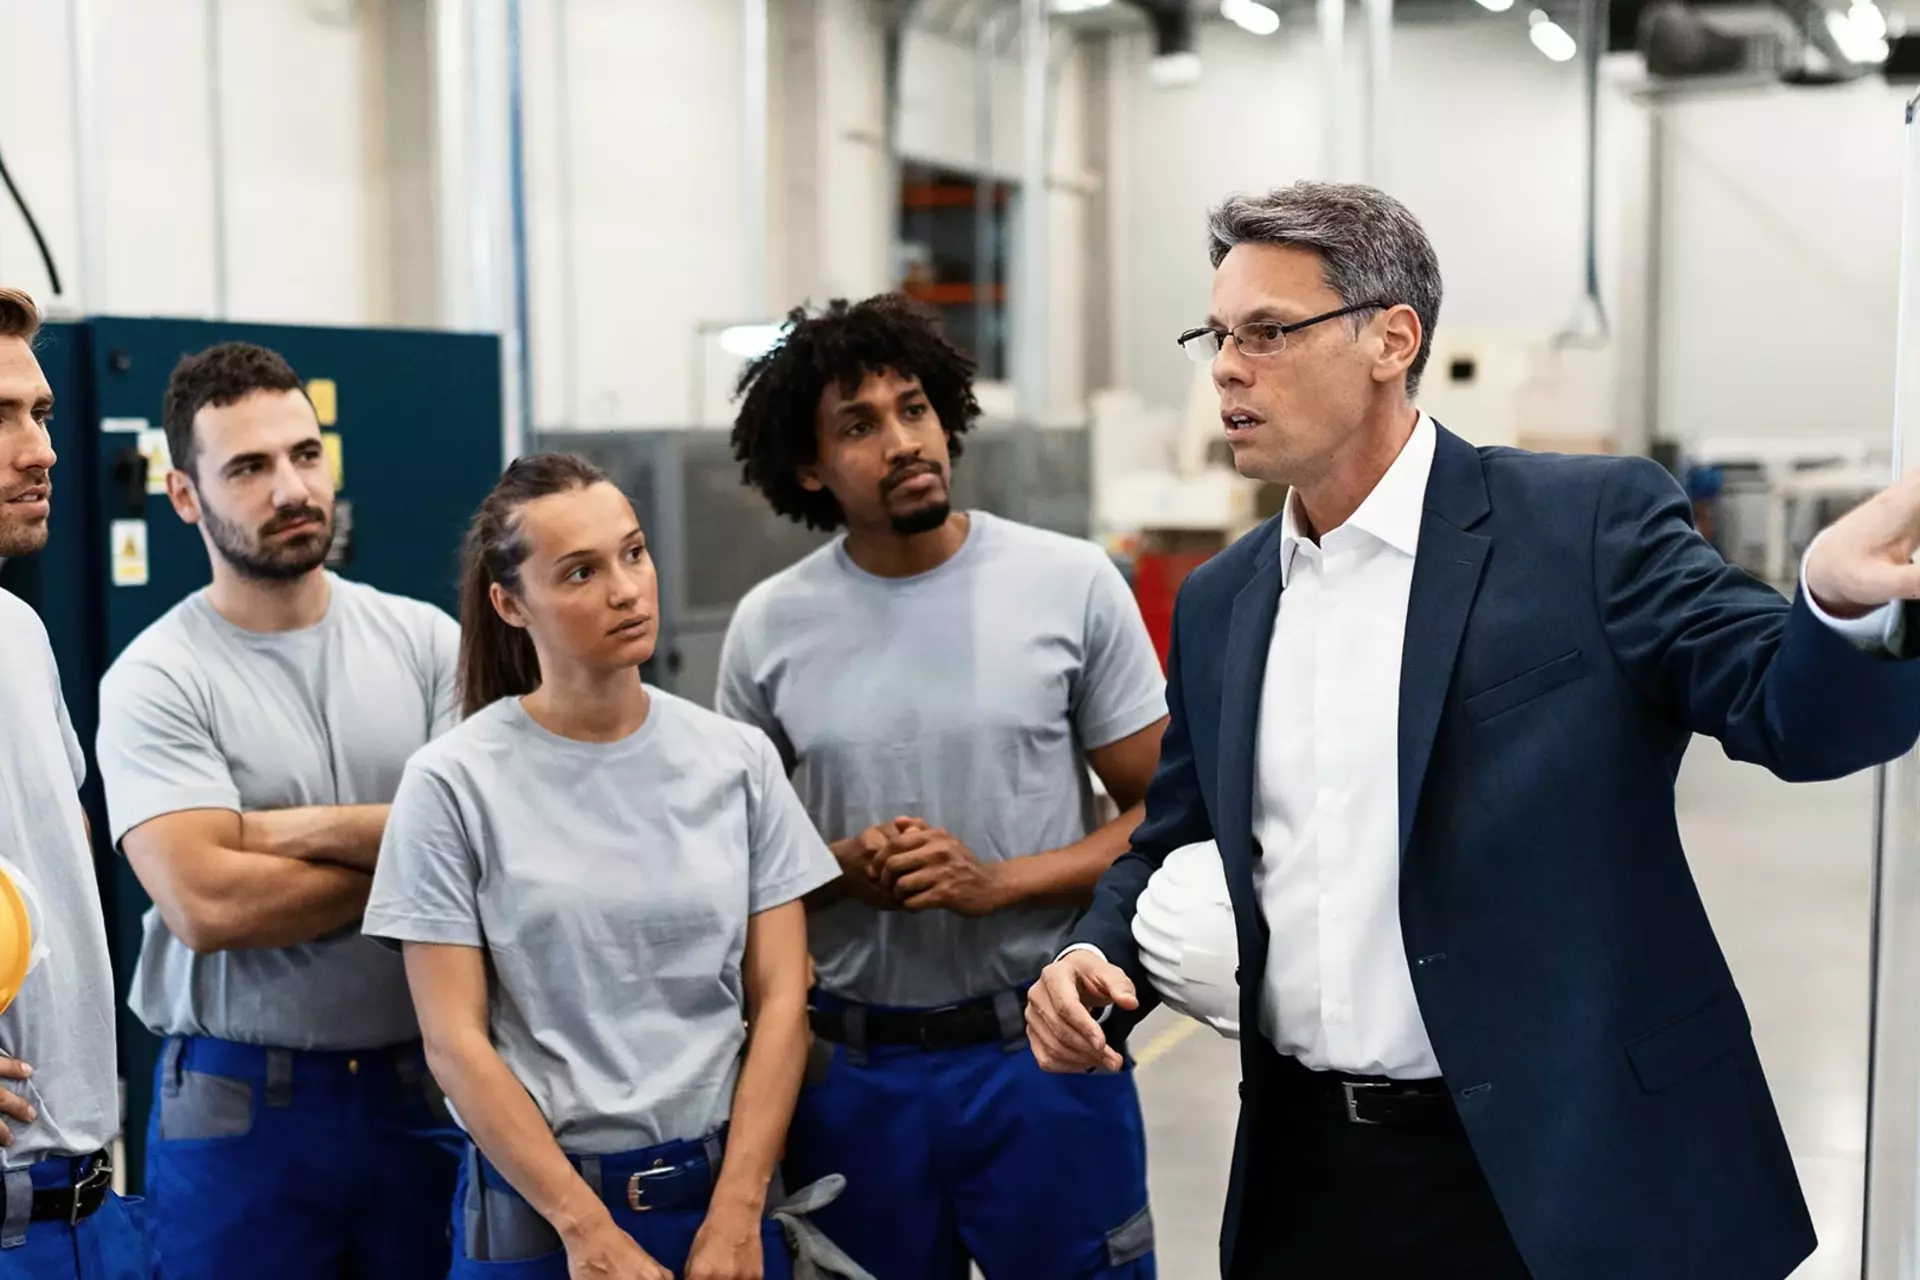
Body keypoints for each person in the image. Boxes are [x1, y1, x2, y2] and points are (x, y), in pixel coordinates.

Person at [1024, 179, 1920, 1280]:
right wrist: (1090, 953)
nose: (1224, 367)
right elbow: (1172, 835)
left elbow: (1792, 713)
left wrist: (1835, 609)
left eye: (1266, 331)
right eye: (1215, 334)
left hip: (1555, 1168)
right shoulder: (1224, 599)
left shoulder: (1583, 527)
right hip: (1312, 1174)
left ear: (1390, 338)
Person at [718, 295, 1170, 1278]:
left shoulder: (1071, 583)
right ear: (809, 468)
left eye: (913, 407)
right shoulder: (768, 627)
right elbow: (737, 867)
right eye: (859, 424)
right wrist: (835, 863)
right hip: (851, 1075)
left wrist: (996, 884)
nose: (902, 439)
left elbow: (1163, 811)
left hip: (1042, 1049)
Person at [362, 453, 843, 1280]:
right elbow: (454, 1043)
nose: (626, 589)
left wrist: (736, 1212)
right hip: (539, 1219)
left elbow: (780, 1004)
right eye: (581, 572)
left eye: (634, 552)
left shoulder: (737, 762)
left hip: (717, 1205)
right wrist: (586, 1232)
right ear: (510, 604)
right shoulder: (454, 781)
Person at [93, 341, 463, 1278]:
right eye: (249, 468)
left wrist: (264, 833)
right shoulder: (157, 680)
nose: (290, 489)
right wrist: (405, 850)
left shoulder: (427, 644)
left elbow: (487, 850)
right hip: (239, 1110)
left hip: (424, 1092)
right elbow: (207, 906)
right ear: (185, 497)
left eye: (305, 455)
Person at [0, 288, 150, 1279]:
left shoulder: (21, 634)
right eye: (1, 420)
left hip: (91, 1210)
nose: (41, 450)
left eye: (41, 414)